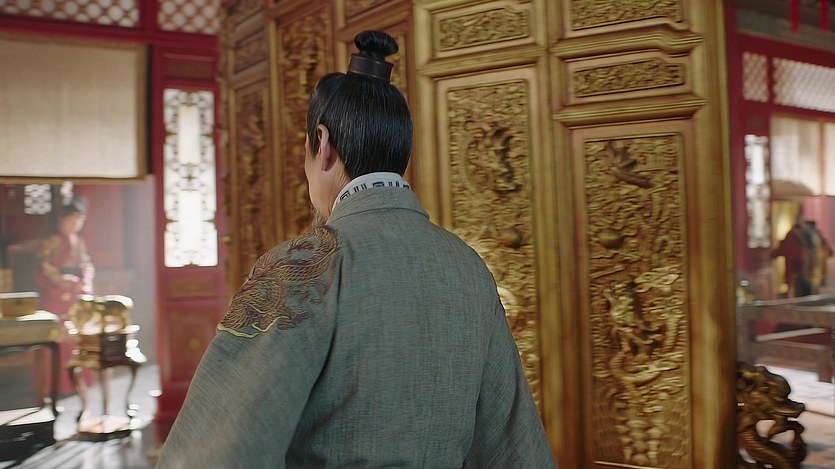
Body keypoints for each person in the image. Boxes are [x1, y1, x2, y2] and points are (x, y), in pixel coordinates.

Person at [158, 31, 555, 468]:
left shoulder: (307, 265)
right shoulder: (467, 266)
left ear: (323, 145)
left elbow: (218, 449)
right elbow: (516, 446)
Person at [34, 196, 95, 395]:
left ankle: (77, 383)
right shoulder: (52, 240)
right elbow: (45, 268)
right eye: (72, 219)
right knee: (57, 339)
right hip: (56, 296)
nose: (75, 223)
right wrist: (64, 282)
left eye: (79, 220)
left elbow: (86, 264)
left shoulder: (79, 241)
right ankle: (53, 386)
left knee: (78, 338)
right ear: (62, 219)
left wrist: (83, 282)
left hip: (75, 295)